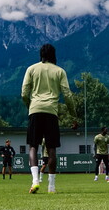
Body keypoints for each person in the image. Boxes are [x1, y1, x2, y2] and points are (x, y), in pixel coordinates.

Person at [21, 44, 76, 194]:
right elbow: (68, 94)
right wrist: (73, 115)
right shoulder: (60, 71)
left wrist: (30, 105)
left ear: (41, 54)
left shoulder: (31, 69)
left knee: (33, 146)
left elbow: (24, 93)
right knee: (51, 149)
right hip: (52, 111)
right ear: (54, 55)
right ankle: (51, 187)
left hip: (35, 110)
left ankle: (35, 181)